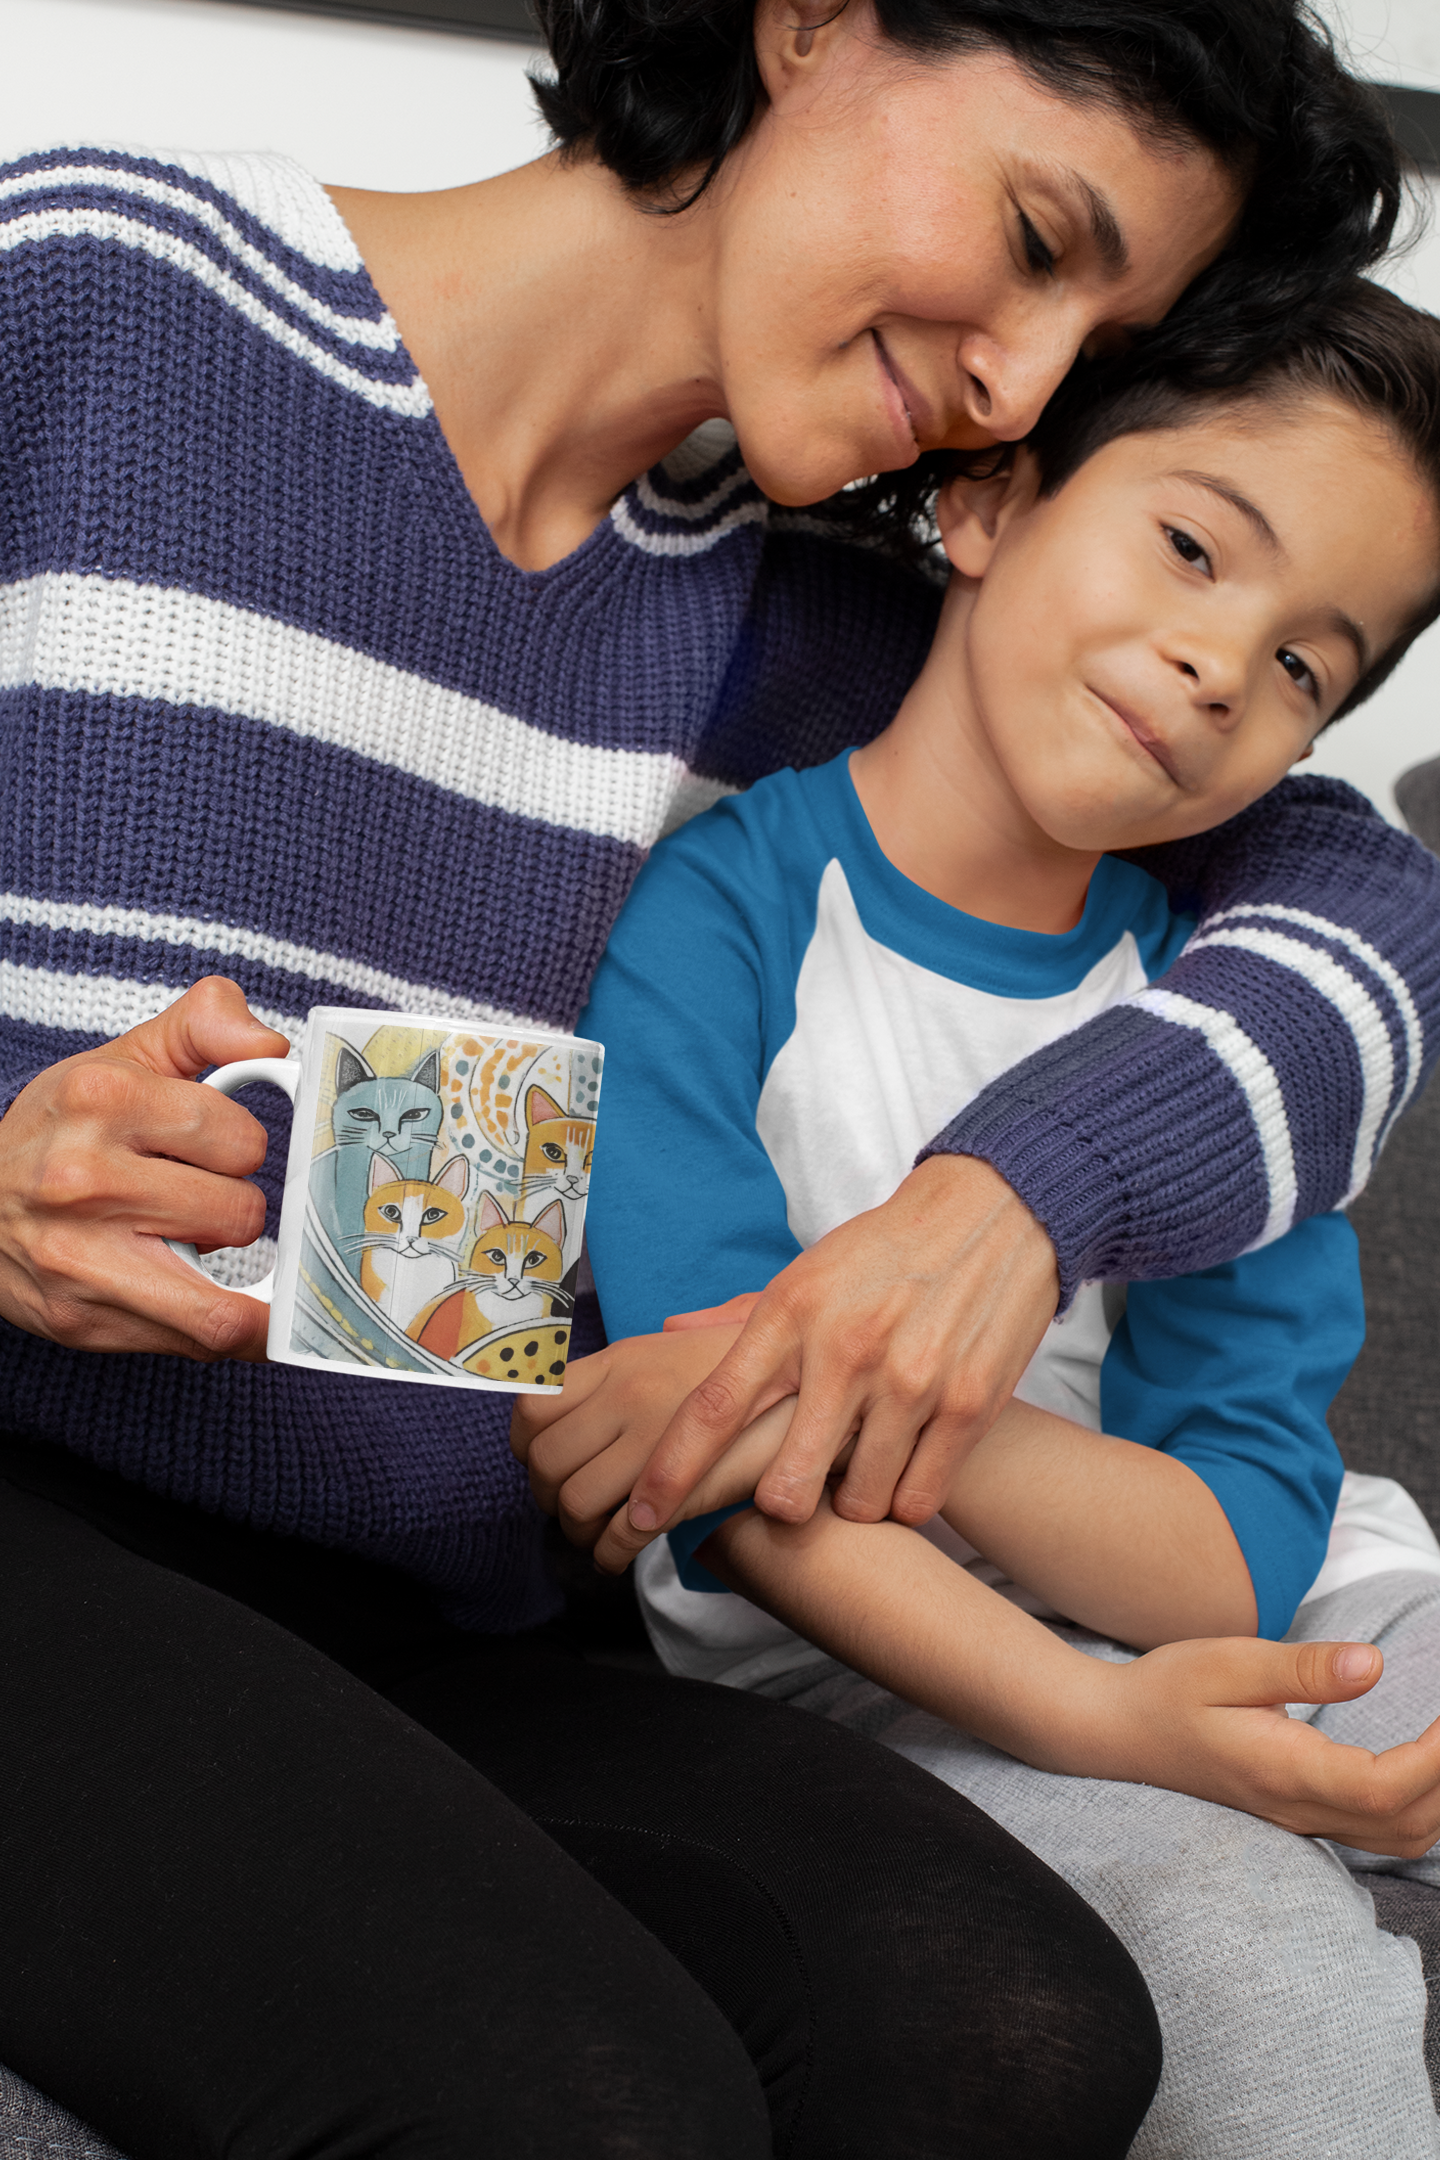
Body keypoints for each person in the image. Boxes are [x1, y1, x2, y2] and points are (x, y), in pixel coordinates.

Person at [0, 0, 1431, 2151]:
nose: (1019, 385)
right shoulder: (102, 296)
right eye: (1037, 235)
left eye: (1095, 332)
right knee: (570, 2100)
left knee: (1016, 2030)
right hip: (37, 1515)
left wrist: (1015, 1194)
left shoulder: (799, 591)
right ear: (813, 24)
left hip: (453, 1599)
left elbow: (1355, 889)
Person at [552, 279, 1440, 2157]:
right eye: (1195, 547)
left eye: (1307, 666)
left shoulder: (1221, 1032)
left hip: (1305, 1604)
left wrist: (822, 1371)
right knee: (1264, 1981)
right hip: (862, 1671)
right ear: (988, 504)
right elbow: (727, 1493)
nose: (1223, 663)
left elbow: (1239, 1562)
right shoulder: (717, 917)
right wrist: (1096, 1707)